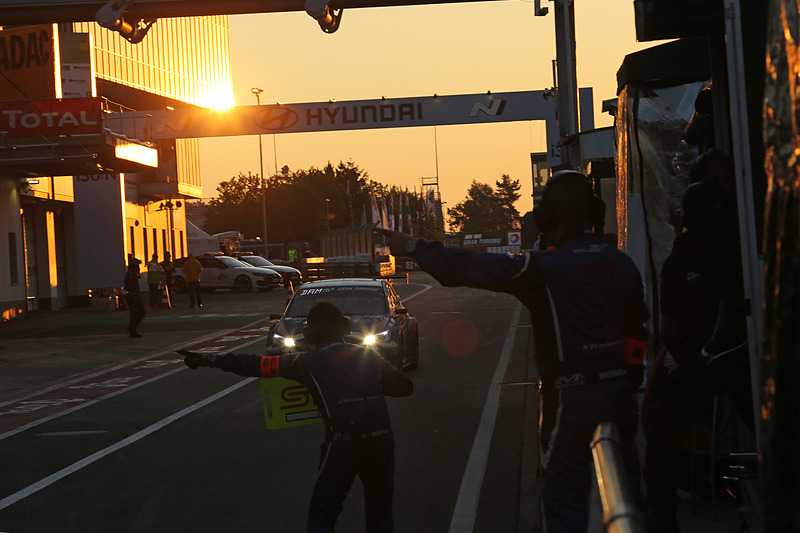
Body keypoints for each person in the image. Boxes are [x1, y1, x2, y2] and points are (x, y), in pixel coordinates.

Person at [375, 170, 652, 532]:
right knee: (627, 493)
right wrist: (627, 384)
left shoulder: (542, 268)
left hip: (571, 398)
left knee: (563, 497)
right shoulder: (622, 264)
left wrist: (413, 246)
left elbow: (471, 268)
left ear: (547, 219)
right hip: (619, 396)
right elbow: (638, 334)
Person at [179, 301, 413, 532]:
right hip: (382, 440)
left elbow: (255, 364)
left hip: (343, 443)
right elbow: (405, 387)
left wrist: (208, 360)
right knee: (380, 514)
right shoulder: (369, 355)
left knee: (323, 512)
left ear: (308, 332)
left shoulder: (305, 363)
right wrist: (369, 386)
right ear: (345, 326)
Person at [124, 255, 145, 338]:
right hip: (132, 296)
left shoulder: (133, 274)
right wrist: (134, 294)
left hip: (135, 295)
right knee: (135, 313)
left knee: (139, 312)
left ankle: (133, 328)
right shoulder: (130, 274)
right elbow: (129, 286)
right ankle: (132, 329)